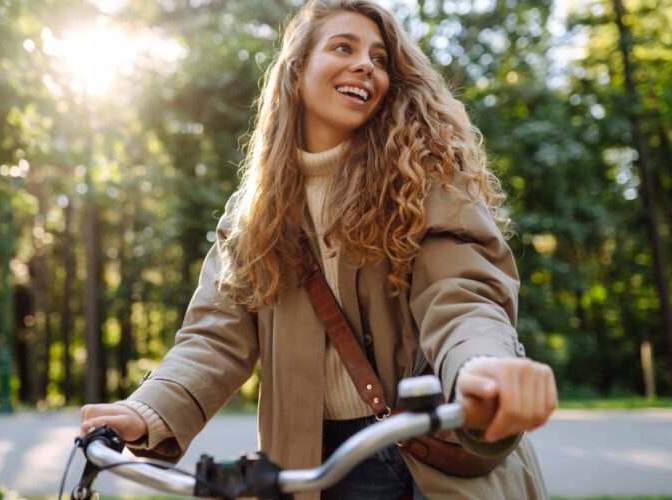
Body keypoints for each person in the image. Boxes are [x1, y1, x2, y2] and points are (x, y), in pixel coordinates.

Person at [80, 1, 557, 498]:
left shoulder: (426, 175)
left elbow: (460, 294)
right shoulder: (250, 215)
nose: (365, 65)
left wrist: (481, 366)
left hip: (432, 450)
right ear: (296, 71)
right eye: (343, 47)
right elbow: (214, 337)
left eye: (379, 58)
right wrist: (146, 410)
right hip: (313, 460)